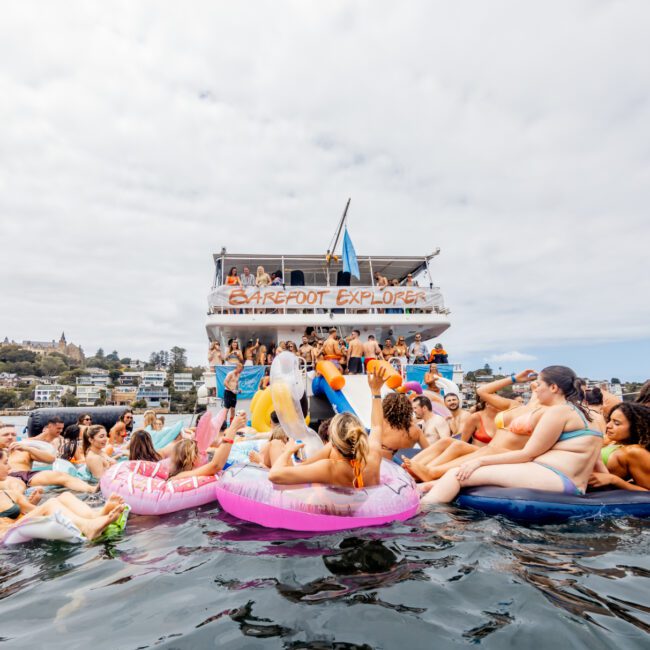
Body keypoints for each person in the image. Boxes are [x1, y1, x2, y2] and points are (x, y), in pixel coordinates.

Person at [421, 366, 606, 504]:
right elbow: (594, 458)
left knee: (456, 474)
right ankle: (426, 488)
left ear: (554, 388)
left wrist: (478, 462)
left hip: (555, 477)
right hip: (570, 482)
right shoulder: (592, 416)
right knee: (457, 475)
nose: (535, 389)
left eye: (539, 384)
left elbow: (528, 454)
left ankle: (422, 515)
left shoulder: (559, 412)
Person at [268, 369, 387, 488]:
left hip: (332, 505)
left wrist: (288, 451)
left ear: (333, 443)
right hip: (363, 505)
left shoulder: (329, 468)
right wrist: (375, 391)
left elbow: (274, 475)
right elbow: (377, 426)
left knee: (276, 445)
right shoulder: (373, 456)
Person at [0, 448, 125, 540]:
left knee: (65, 496)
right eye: (5, 463)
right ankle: (88, 527)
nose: (10, 467)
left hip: (17, 526)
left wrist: (34, 502)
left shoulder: (9, 494)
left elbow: (32, 510)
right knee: (50, 504)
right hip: (6, 534)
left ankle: (95, 515)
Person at [2, 423, 97, 492]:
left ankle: (93, 489)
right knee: (14, 485)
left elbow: (51, 459)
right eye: (6, 435)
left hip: (26, 475)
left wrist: (28, 449)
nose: (10, 437)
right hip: (8, 478)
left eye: (13, 435)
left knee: (60, 476)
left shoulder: (24, 450)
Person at [588, 403, 650, 491]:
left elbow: (647, 493)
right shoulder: (611, 441)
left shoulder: (635, 451)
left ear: (635, 427)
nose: (608, 426)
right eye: (609, 420)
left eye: (617, 423)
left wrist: (613, 480)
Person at [167, 413, 247, 479]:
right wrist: (233, 428)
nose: (204, 452)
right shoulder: (180, 476)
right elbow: (216, 465)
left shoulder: (185, 472)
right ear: (193, 459)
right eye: (199, 453)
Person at [379, 392, 430, 459]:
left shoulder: (382, 423)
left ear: (386, 407)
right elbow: (429, 450)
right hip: (402, 463)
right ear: (408, 409)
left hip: (382, 461)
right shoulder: (416, 430)